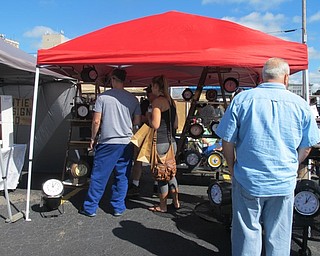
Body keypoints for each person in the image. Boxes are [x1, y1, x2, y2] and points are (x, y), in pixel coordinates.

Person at [215, 57, 320, 256]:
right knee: (279, 235)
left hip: (248, 178)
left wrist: (231, 166)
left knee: (247, 233)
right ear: (286, 78)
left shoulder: (242, 99)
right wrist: (292, 165)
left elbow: (226, 141)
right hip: (283, 180)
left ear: (263, 76)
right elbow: (307, 147)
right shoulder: (301, 104)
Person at [79, 68, 141, 217]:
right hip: (126, 142)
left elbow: (96, 121)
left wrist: (93, 138)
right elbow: (137, 123)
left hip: (108, 141)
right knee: (122, 176)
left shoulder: (103, 98)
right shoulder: (133, 99)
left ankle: (90, 208)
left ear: (113, 79)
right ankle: (118, 207)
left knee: (99, 175)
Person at [147, 75, 180, 212]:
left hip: (161, 143)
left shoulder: (157, 102)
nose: (151, 89)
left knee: (161, 175)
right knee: (171, 173)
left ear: (156, 87)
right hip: (172, 142)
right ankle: (177, 202)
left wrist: (149, 116)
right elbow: (176, 124)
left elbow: (155, 124)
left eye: (152, 86)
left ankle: (163, 206)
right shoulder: (171, 101)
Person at [127, 85, 158, 196]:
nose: (148, 95)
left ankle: (156, 184)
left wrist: (148, 117)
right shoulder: (145, 104)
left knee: (155, 161)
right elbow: (140, 118)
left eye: (149, 93)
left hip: (152, 134)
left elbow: (145, 119)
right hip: (144, 133)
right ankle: (136, 184)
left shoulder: (158, 104)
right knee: (138, 159)